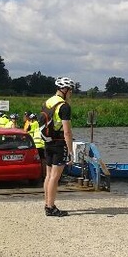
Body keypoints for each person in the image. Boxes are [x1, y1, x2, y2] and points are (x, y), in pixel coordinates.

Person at [43, 77, 74, 217]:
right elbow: (67, 131)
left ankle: (46, 204)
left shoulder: (48, 102)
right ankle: (51, 207)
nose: (71, 93)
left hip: (47, 141)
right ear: (65, 90)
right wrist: (71, 151)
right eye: (71, 90)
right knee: (55, 177)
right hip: (59, 142)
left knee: (48, 175)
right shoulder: (64, 106)